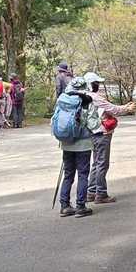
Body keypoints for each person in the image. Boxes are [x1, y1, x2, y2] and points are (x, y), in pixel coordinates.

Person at [83, 72, 136, 204]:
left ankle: (91, 191)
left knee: (96, 163)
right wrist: (127, 108)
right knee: (102, 164)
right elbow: (113, 109)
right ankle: (101, 193)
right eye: (96, 83)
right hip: (102, 133)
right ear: (91, 84)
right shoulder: (94, 97)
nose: (98, 85)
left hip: (91, 133)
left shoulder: (83, 96)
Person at [52, 75, 94, 217]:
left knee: (68, 174)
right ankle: (81, 206)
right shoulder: (86, 101)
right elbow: (93, 123)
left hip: (66, 143)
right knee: (83, 174)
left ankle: (64, 206)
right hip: (83, 144)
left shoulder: (62, 100)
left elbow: (54, 119)